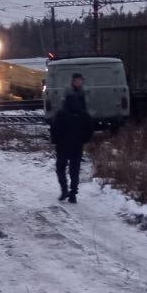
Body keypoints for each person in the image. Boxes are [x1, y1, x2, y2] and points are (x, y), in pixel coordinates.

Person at [50, 72, 94, 204]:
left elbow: (55, 129)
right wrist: (84, 139)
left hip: (63, 146)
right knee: (75, 170)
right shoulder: (83, 114)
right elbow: (90, 128)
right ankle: (73, 194)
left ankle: (64, 190)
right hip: (77, 145)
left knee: (60, 168)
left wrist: (55, 141)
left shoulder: (61, 114)